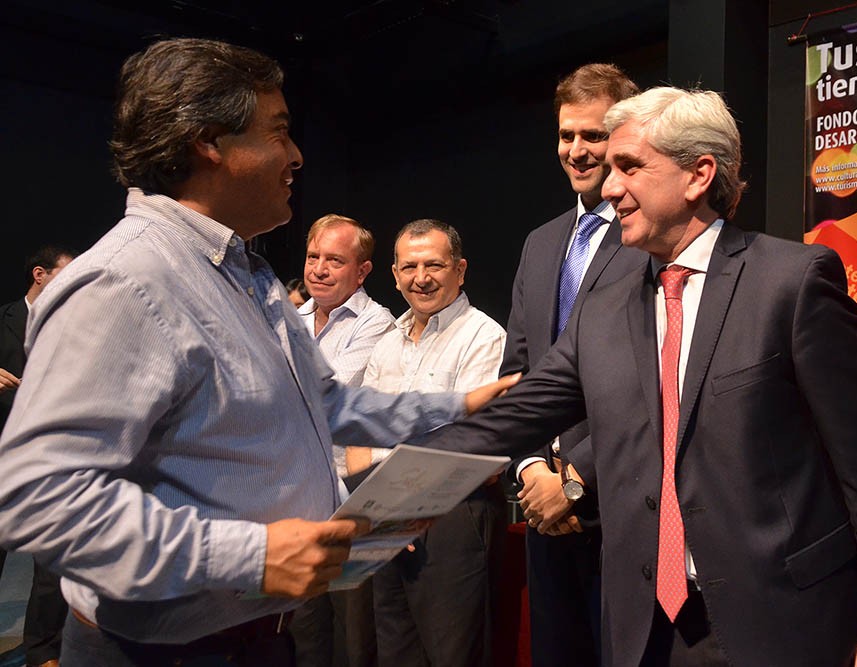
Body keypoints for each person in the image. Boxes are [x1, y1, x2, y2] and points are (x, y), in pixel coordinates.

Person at [0, 37, 515, 667]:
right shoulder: (125, 284)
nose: (296, 155)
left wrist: (458, 405)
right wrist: (253, 554)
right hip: (162, 653)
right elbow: (37, 496)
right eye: (279, 131)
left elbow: (324, 403)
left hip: (257, 635)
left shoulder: (247, 274)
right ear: (209, 142)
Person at [420, 86, 857, 666]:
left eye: (629, 167)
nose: (610, 188)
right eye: (610, 170)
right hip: (642, 631)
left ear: (698, 175)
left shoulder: (793, 282)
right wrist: (394, 491)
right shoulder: (602, 308)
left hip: (780, 625)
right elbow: (517, 414)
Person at [500, 62, 645, 667]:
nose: (577, 151)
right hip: (543, 511)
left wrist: (575, 480)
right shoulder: (540, 242)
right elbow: (519, 373)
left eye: (594, 135)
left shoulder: (648, 238)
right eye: (567, 135)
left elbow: (651, 382)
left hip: (622, 509)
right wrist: (533, 467)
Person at [345, 219, 507, 667]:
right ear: (394, 275)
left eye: (434, 265)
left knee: (452, 656)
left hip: (452, 516)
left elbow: (477, 445)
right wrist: (375, 510)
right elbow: (360, 435)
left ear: (460, 270)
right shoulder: (387, 343)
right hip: (382, 519)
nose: (422, 278)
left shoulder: (483, 337)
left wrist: (401, 506)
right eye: (410, 267)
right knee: (393, 653)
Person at [289, 213, 394, 667]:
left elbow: (327, 395)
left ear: (362, 270)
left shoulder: (376, 323)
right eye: (313, 256)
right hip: (291, 500)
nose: (319, 269)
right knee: (304, 636)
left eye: (334, 260)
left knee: (352, 640)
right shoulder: (289, 318)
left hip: (345, 502)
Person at [0, 245, 76, 667]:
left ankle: (43, 651)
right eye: (66, 274)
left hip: (52, 459)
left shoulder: (76, 324)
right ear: (39, 275)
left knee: (51, 564)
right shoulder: (3, 319)